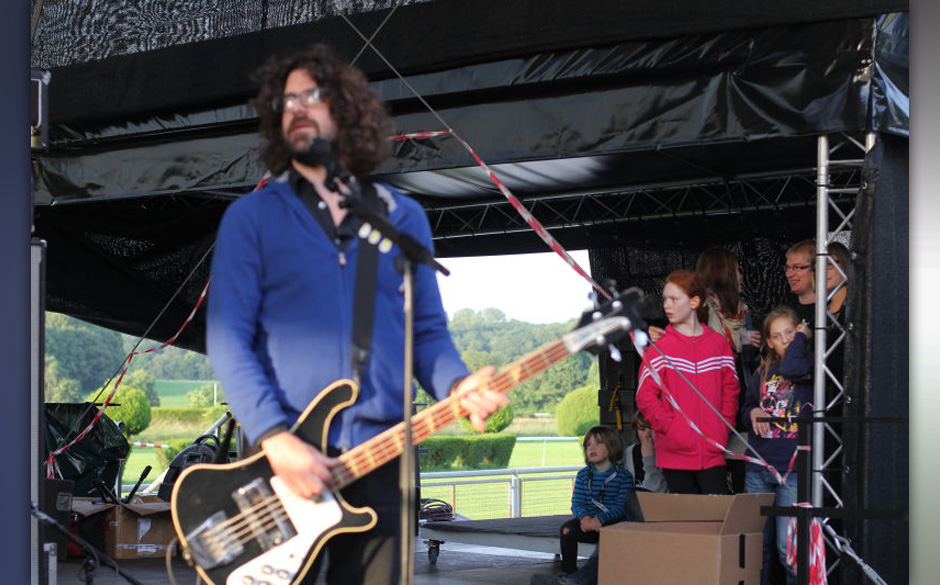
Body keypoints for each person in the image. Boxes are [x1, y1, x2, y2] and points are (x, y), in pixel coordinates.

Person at [205, 44, 507, 585]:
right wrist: (276, 438)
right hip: (281, 458)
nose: (296, 107)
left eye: (312, 96)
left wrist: (459, 384)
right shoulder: (249, 219)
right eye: (287, 99)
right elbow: (228, 340)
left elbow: (427, 334)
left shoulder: (403, 217)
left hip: (381, 455)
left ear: (346, 111)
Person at [636, 270, 740, 495]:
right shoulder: (659, 349)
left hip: (713, 453)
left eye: (674, 299)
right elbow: (644, 396)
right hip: (674, 455)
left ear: (695, 301)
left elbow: (731, 390)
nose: (667, 305)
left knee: (716, 521)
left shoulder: (719, 344)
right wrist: (672, 429)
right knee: (689, 525)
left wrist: (722, 429)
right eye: (665, 300)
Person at [741, 306, 813, 585]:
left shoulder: (806, 366)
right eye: (777, 336)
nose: (784, 340)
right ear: (768, 341)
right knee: (759, 548)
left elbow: (791, 367)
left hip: (791, 473)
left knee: (788, 550)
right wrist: (752, 414)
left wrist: (801, 339)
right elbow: (745, 408)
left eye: (789, 333)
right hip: (758, 468)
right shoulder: (762, 372)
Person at [695, 247, 762, 493]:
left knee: (741, 469)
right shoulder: (698, 311)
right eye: (737, 270)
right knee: (712, 475)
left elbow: (750, 363)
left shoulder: (743, 311)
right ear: (723, 274)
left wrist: (752, 346)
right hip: (710, 400)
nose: (742, 275)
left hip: (740, 395)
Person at [559, 425, 634, 576]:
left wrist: (601, 519)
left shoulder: (623, 476)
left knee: (613, 533)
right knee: (567, 530)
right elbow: (577, 503)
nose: (592, 447)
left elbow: (622, 506)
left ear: (611, 446)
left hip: (612, 521)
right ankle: (569, 573)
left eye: (598, 443)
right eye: (588, 444)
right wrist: (585, 518)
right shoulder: (583, 475)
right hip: (589, 522)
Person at [624, 410, 668, 494]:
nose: (647, 434)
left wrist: (649, 458)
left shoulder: (668, 452)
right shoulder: (630, 452)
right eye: (642, 429)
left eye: (652, 429)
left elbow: (657, 491)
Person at [784, 240, 817, 325]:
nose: (789, 274)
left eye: (797, 267)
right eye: (788, 268)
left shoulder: (832, 312)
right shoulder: (784, 313)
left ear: (816, 268)